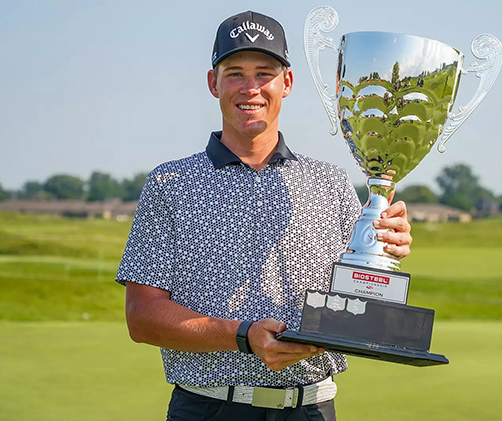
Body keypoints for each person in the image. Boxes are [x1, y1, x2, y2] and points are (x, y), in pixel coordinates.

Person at [115, 10, 413, 421]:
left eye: (264, 72)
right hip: (209, 409)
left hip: (311, 409)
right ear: (212, 83)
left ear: (286, 83)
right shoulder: (171, 184)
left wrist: (383, 250)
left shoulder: (331, 182)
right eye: (234, 72)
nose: (250, 88)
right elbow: (142, 318)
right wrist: (242, 336)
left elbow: (360, 305)